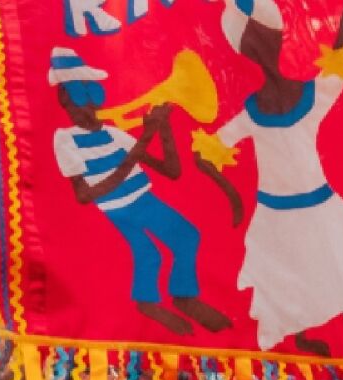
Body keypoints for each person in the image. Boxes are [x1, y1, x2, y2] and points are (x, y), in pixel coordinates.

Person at [196, 0, 343, 355]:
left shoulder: (310, 93)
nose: (262, 50)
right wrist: (231, 195)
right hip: (274, 212)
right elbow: (209, 151)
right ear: (246, 52)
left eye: (266, 40)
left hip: (321, 201)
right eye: (252, 45)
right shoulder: (251, 111)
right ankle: (301, 334)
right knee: (289, 277)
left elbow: (341, 56)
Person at [50, 47, 231, 336]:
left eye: (91, 97)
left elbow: (171, 171)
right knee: (149, 254)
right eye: (78, 100)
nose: (87, 108)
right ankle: (146, 304)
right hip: (115, 210)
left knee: (187, 235)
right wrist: (144, 139)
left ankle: (184, 295)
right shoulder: (65, 139)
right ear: (66, 103)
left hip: (144, 200)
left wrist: (164, 129)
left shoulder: (115, 133)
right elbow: (83, 195)